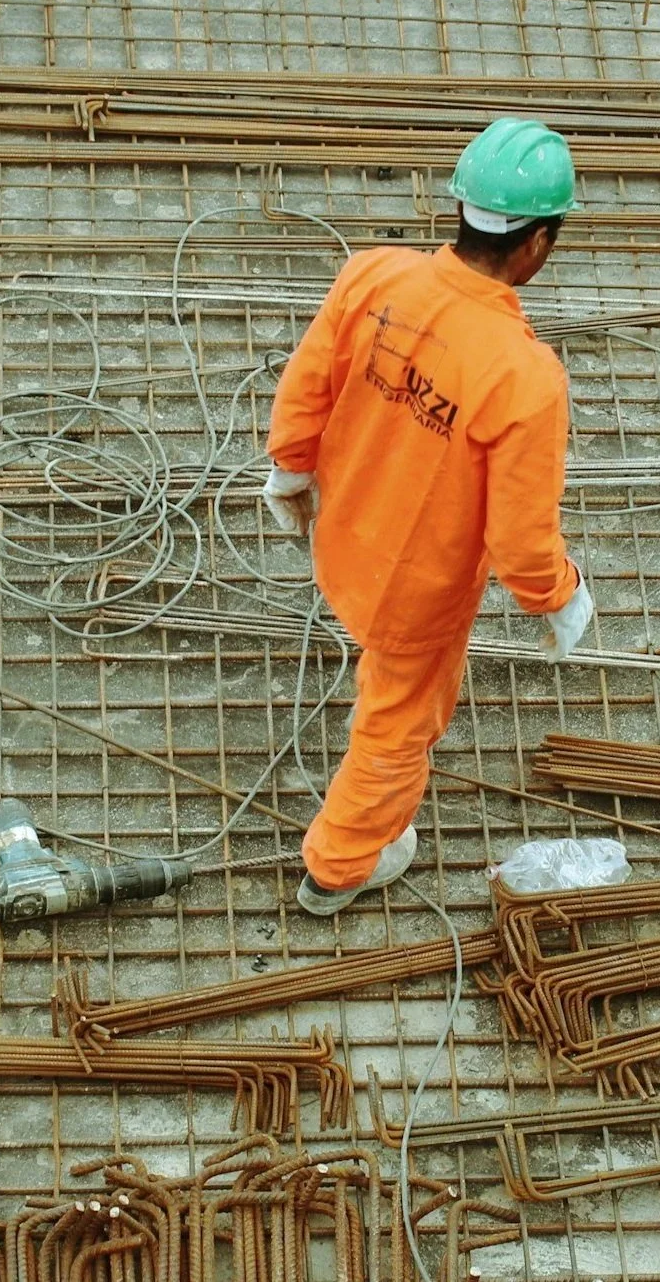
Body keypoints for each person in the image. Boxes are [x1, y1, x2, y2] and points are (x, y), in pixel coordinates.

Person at [261, 117, 595, 916]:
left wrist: (289, 468)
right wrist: (558, 595)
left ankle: (349, 842)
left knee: (383, 682)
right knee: (397, 725)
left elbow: (307, 382)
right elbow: (519, 538)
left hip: (342, 534)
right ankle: (338, 867)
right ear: (537, 244)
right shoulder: (524, 376)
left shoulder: (373, 274)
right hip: (413, 591)